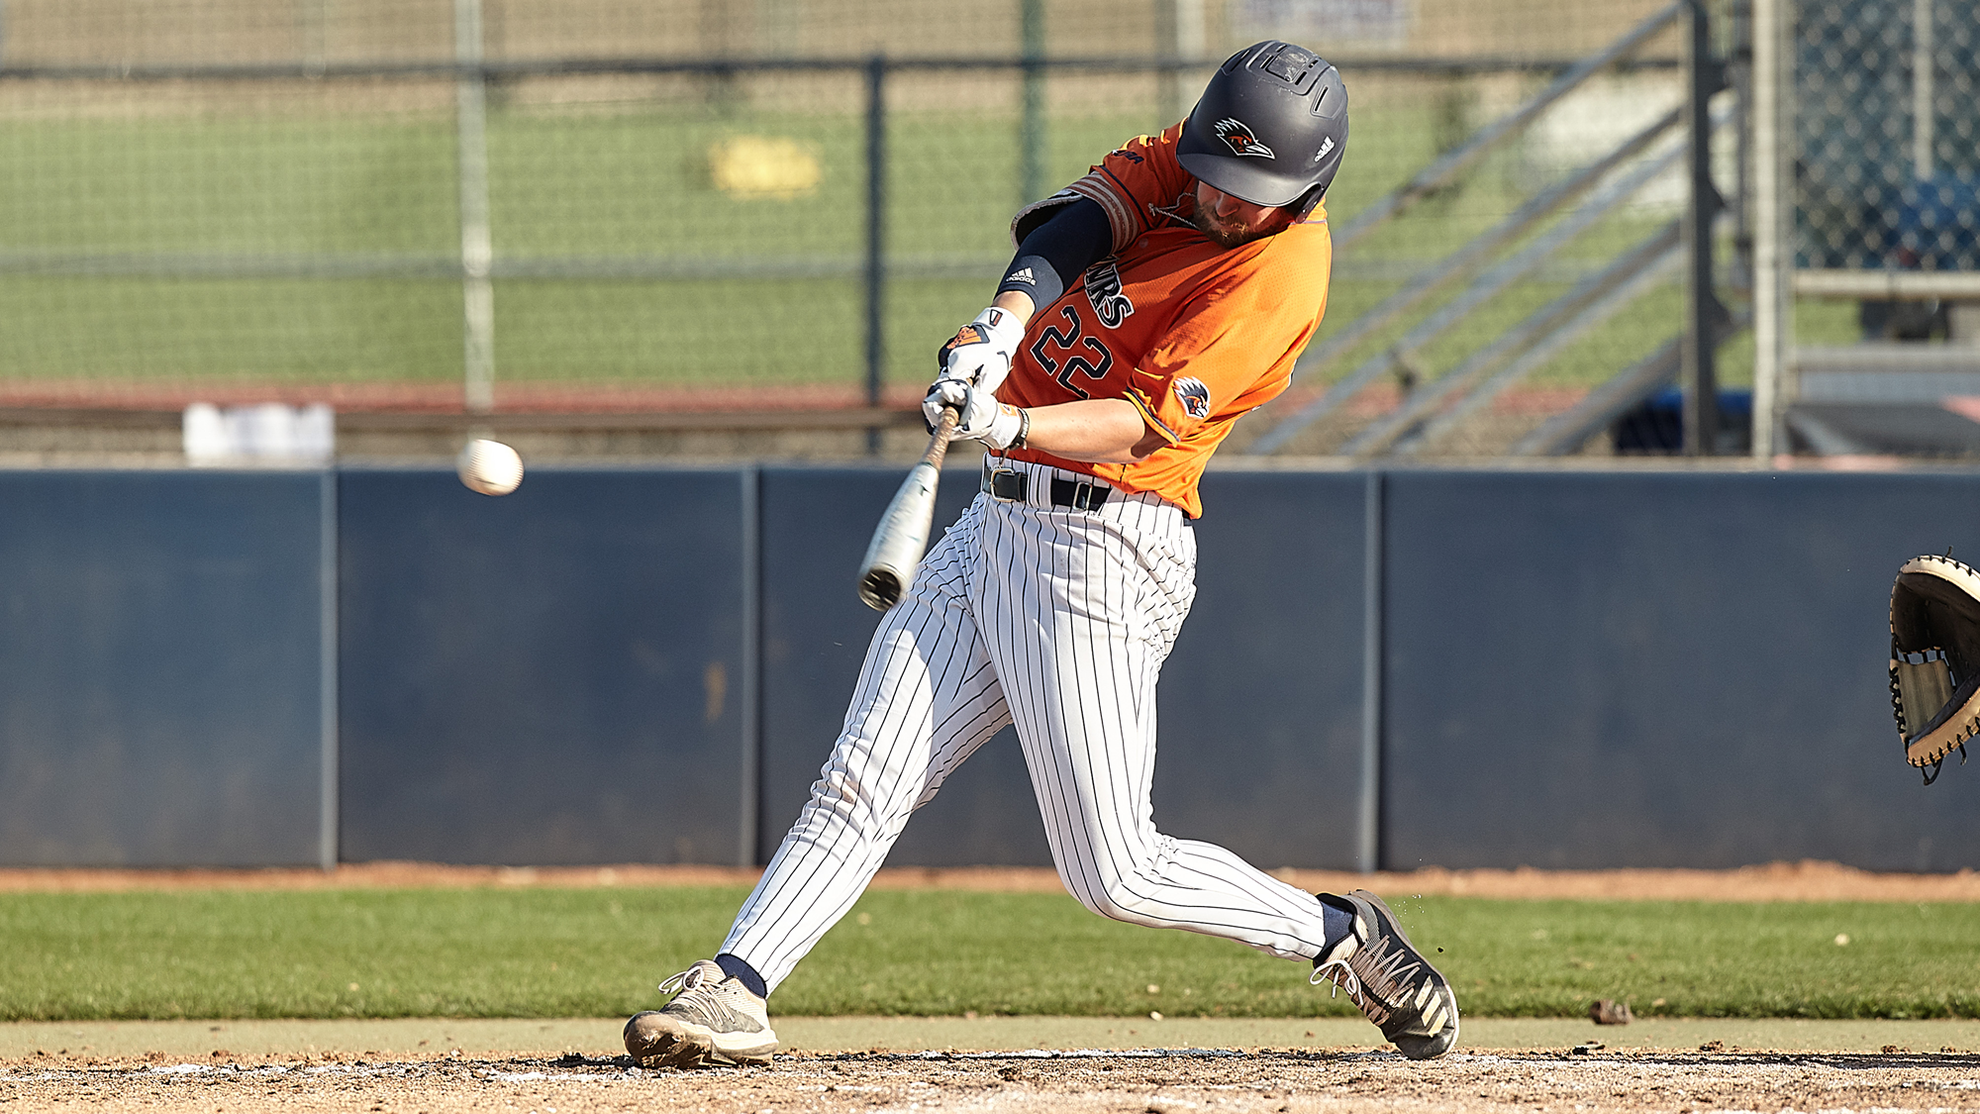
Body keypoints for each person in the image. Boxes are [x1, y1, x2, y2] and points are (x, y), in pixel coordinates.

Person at [624, 40, 1458, 1067]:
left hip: (1104, 551)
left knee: (1116, 871)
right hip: (996, 526)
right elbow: (1085, 219)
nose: (1221, 199)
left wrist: (1007, 426)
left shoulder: (1279, 274)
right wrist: (998, 331)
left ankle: (1342, 937)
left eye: (1249, 191)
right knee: (864, 775)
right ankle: (735, 985)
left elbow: (1141, 425)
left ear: (1303, 184)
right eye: (1214, 173)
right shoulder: (1192, 165)